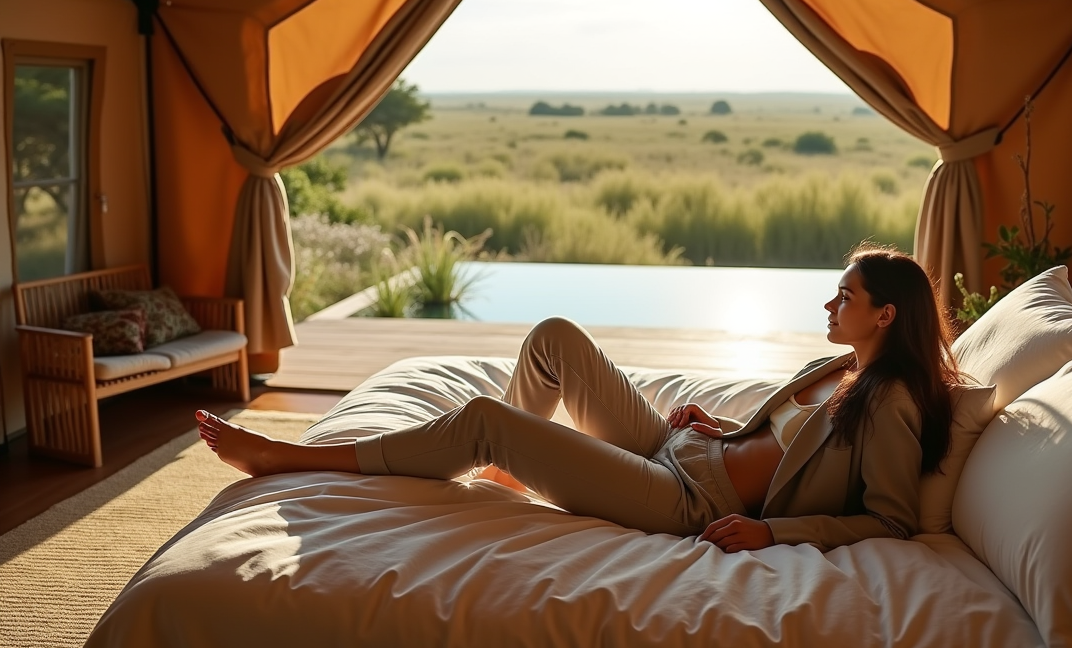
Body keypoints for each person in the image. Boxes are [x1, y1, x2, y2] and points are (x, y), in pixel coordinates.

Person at [197, 243, 962, 553]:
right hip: (681, 446)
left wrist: (772, 533)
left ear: (886, 316)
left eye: (845, 296)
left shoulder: (890, 402)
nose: (830, 305)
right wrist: (721, 425)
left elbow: (889, 519)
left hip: (686, 497)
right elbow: (785, 440)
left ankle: (293, 455)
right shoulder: (840, 367)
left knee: (488, 420)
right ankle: (503, 462)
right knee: (555, 336)